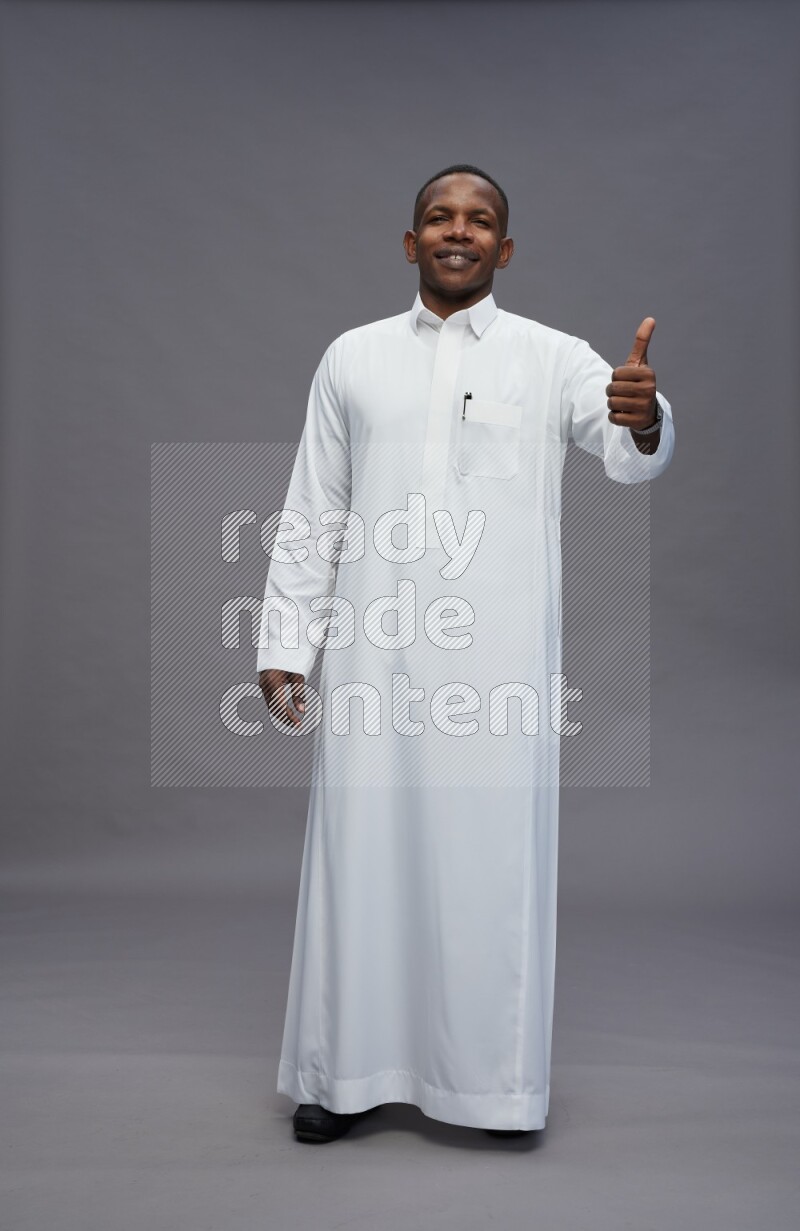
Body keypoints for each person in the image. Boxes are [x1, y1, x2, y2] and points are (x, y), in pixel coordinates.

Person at [257, 164, 674, 1144]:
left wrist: (644, 413)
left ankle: (491, 1088)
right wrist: (285, 646)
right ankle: (339, 1074)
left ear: (504, 248)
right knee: (358, 862)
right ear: (411, 243)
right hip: (373, 660)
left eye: (479, 220)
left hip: (498, 669)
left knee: (491, 869)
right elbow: (314, 508)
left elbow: (627, 452)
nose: (458, 231)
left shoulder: (553, 358)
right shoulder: (352, 357)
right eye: (439, 218)